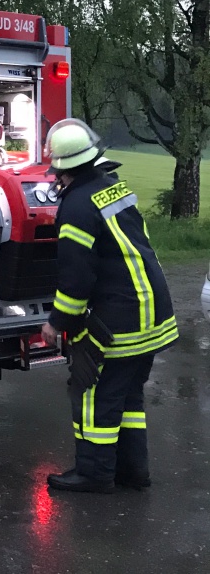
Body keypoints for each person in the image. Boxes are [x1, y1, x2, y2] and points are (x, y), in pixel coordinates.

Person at [40, 118, 178, 493]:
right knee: (127, 397)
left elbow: (76, 282)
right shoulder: (112, 190)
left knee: (92, 395)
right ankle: (133, 472)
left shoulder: (76, 210)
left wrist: (56, 322)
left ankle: (95, 474)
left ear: (62, 169)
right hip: (154, 314)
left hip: (121, 322)